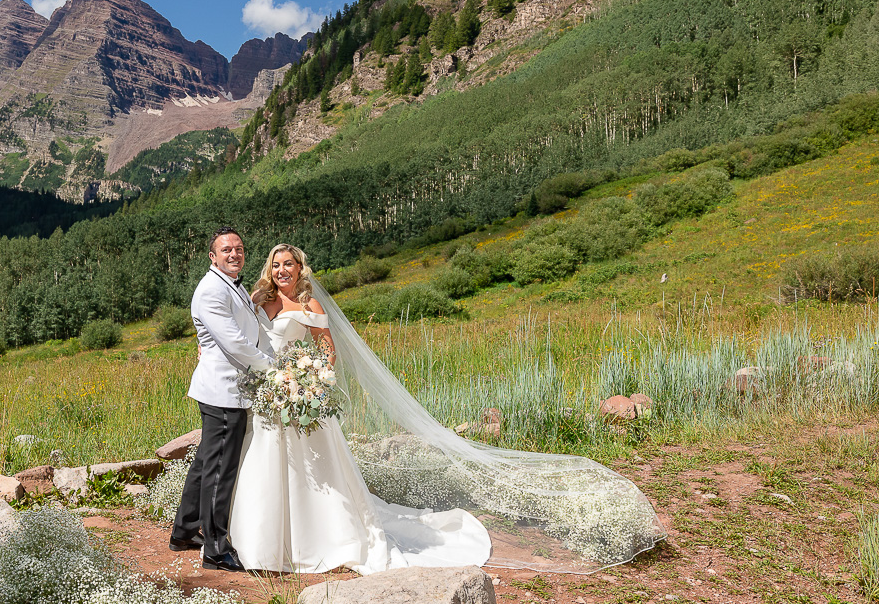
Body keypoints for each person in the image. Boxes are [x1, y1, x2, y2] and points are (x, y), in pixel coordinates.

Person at [228, 244, 665, 575]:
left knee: (320, 473)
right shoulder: (259, 300)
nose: (282, 270)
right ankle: (265, 544)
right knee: (269, 467)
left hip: (304, 400)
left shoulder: (310, 307)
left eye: (289, 264)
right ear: (270, 269)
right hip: (270, 399)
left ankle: (319, 539)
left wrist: (311, 385)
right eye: (276, 264)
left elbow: (328, 353)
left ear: (301, 269)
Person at [170, 227, 274, 571]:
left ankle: (183, 531)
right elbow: (234, 342)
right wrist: (272, 369)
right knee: (219, 470)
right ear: (212, 256)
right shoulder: (211, 290)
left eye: (240, 248)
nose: (235, 253)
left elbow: (246, 326)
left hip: (228, 388)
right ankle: (216, 549)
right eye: (226, 249)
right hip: (224, 391)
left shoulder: (233, 284)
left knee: (205, 463)